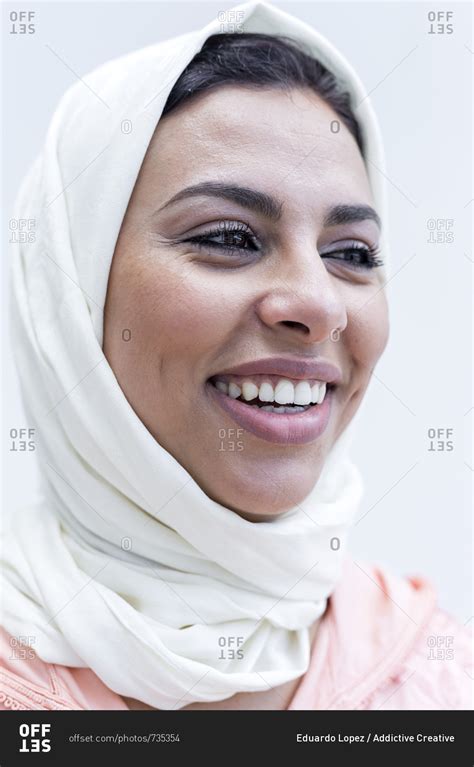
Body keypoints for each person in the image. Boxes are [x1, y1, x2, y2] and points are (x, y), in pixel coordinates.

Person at [1, 1, 471, 711]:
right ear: (73, 292)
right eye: (229, 237)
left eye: (351, 253)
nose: (318, 306)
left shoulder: (436, 683)